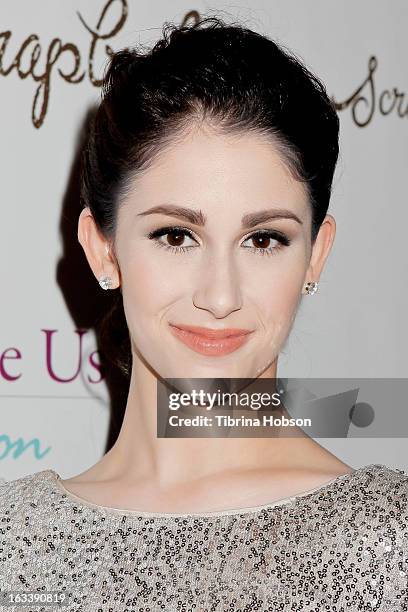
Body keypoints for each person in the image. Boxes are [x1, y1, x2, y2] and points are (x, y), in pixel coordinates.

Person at [1, 16, 407, 611]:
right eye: (174, 236)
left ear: (315, 256)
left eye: (264, 239)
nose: (221, 297)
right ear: (103, 249)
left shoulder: (390, 547)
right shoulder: (14, 547)